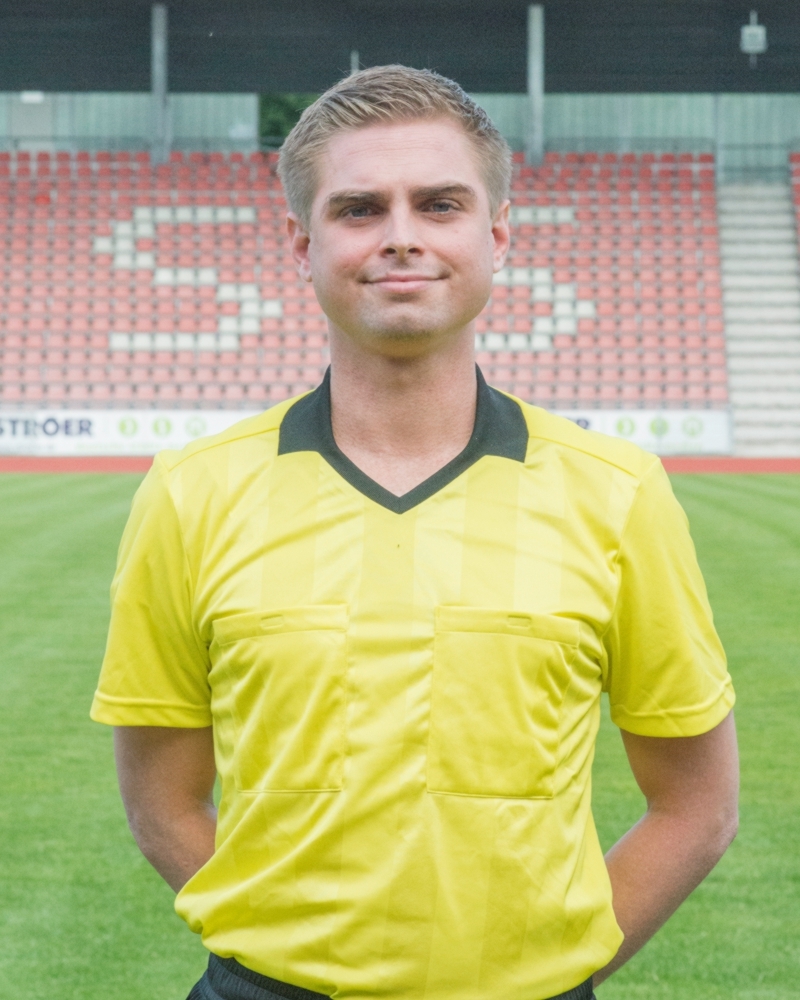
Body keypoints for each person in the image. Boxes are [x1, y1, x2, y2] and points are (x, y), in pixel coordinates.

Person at [91, 65, 739, 1000]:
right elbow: (161, 798)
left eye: (439, 204)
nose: (401, 236)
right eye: (359, 209)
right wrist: (289, 958)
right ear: (302, 242)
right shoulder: (192, 491)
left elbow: (697, 804)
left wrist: (551, 971)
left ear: (496, 234)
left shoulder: (618, 491)